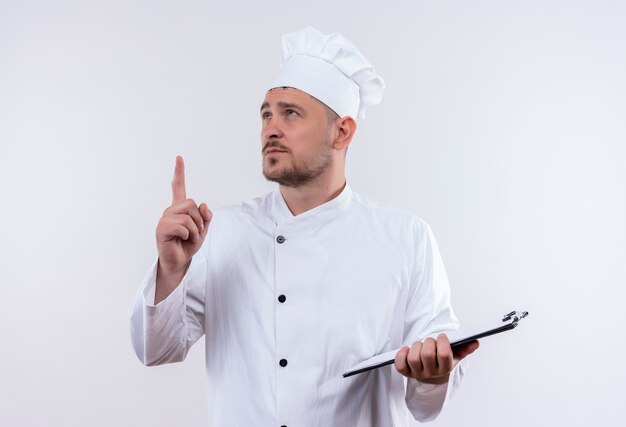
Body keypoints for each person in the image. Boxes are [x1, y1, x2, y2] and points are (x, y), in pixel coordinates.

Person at [130, 27, 479, 426]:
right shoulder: (221, 232)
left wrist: (435, 373)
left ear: (342, 131)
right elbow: (153, 350)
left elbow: (426, 404)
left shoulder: (407, 238)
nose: (270, 129)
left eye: (290, 113)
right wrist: (171, 270)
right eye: (266, 114)